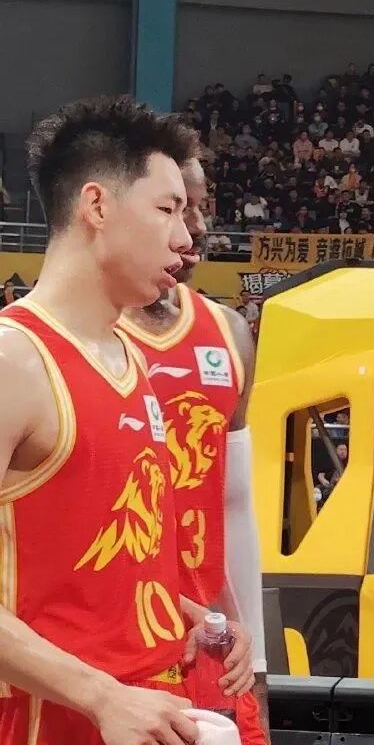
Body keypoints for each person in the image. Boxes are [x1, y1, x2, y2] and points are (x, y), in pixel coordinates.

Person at [0, 97, 251, 744]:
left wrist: (190, 616)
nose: (185, 237)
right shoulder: (13, 359)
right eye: (167, 209)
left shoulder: (127, 359)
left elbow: (94, 565)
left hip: (146, 706)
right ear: (97, 205)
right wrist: (100, 694)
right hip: (50, 718)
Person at [117, 158, 269, 743]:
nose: (197, 227)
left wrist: (256, 664)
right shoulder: (58, 339)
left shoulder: (229, 332)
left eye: (200, 207)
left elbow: (234, 505)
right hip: (104, 645)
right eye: (175, 207)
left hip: (207, 647)